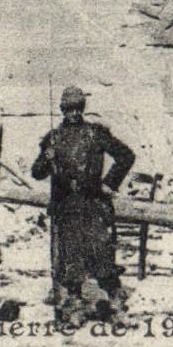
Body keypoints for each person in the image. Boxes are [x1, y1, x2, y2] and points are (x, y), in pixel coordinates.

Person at [32, 85, 135, 324]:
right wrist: (46, 159)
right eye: (69, 109)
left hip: (93, 205)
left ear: (83, 109)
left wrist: (110, 183)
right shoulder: (53, 139)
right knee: (70, 260)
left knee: (102, 256)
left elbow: (126, 156)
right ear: (62, 110)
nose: (73, 114)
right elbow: (36, 172)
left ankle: (115, 304)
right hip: (66, 207)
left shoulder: (95, 133)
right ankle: (74, 306)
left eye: (78, 109)